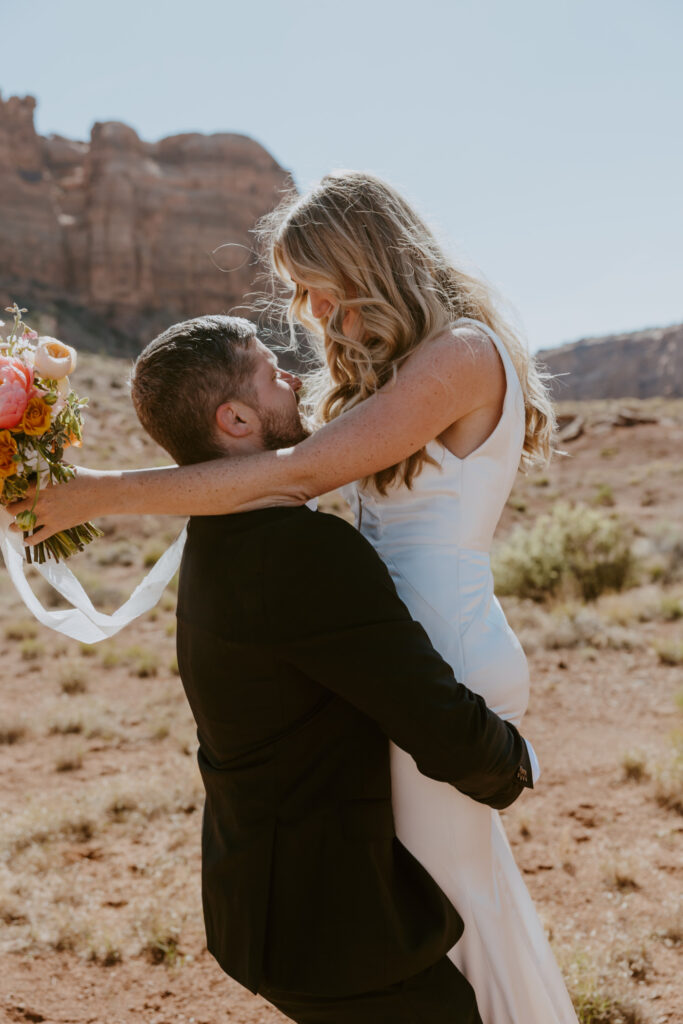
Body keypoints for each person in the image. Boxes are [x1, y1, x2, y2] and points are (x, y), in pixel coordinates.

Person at [13, 172, 578, 1023]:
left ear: (366, 266)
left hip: (444, 656)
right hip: (400, 655)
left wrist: (96, 493)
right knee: (448, 900)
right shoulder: (396, 374)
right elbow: (267, 481)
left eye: (319, 290)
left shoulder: (460, 354)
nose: (314, 315)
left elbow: (299, 473)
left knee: (455, 901)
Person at [130, 312, 535, 1024]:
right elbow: (430, 715)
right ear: (234, 418)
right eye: (268, 372)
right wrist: (513, 763)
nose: (292, 378)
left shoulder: (220, 537)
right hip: (337, 932)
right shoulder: (299, 551)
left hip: (264, 907)